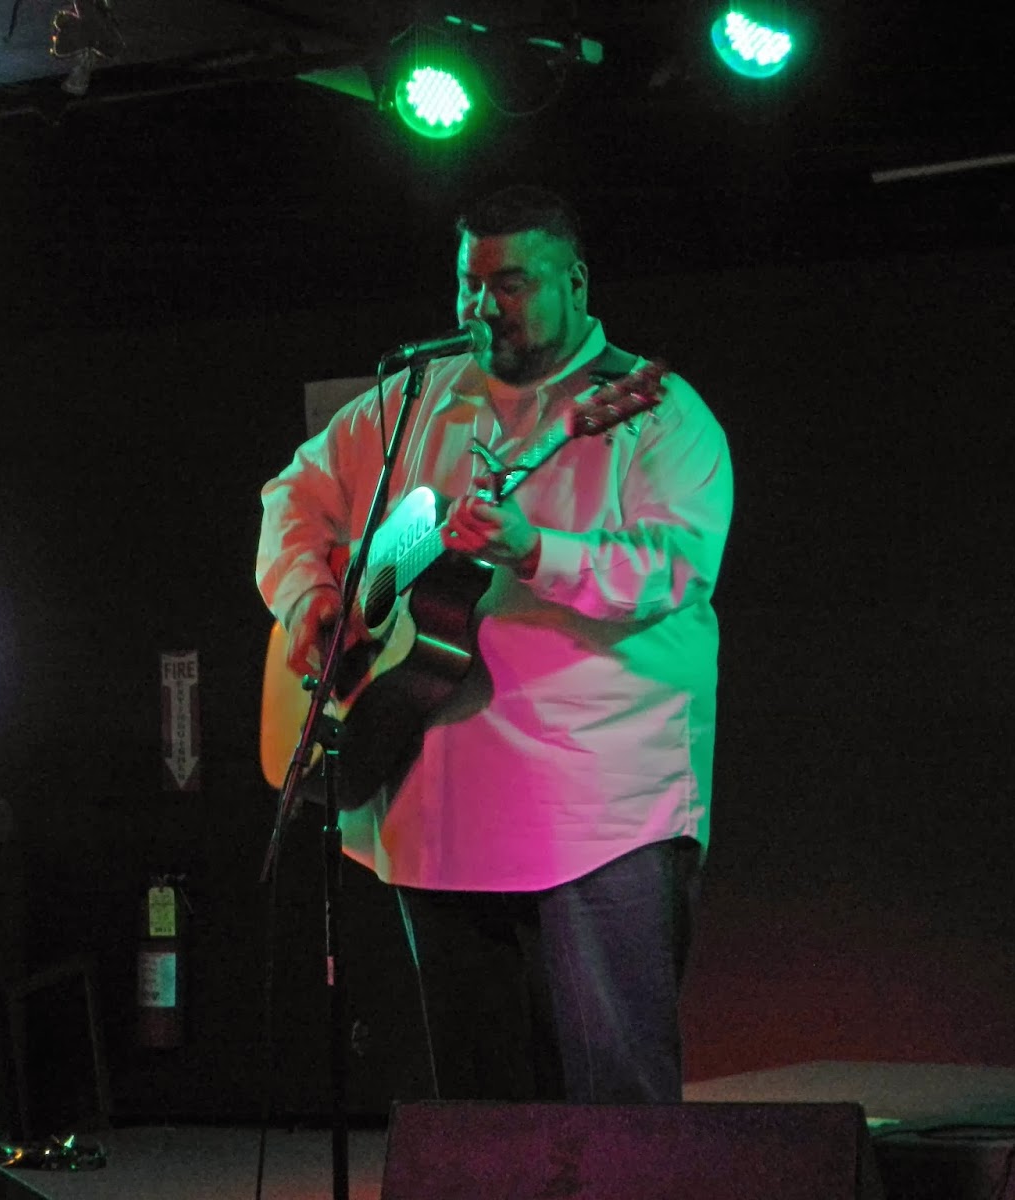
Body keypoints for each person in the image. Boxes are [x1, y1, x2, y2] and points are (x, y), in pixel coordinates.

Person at [256, 185, 733, 1104]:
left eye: (511, 284)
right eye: (469, 284)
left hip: (597, 810)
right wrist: (310, 595)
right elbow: (293, 495)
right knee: (481, 1116)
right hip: (434, 802)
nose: (483, 306)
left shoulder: (654, 414)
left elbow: (676, 567)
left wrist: (535, 550)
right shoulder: (415, 400)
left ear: (576, 282)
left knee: (616, 1106)